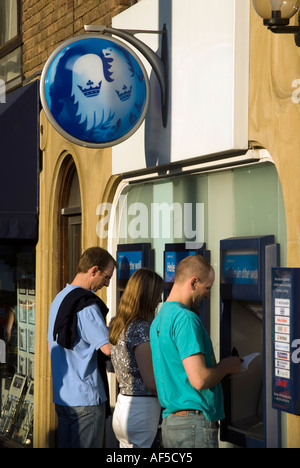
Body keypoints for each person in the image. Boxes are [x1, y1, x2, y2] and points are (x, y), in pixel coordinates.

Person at [150, 254, 241, 448]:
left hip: (172, 423)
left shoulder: (160, 318)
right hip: (193, 426)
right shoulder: (185, 319)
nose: (208, 295)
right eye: (207, 288)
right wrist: (226, 366)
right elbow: (199, 379)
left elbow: (180, 373)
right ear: (193, 282)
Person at [47, 247, 117, 448]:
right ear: (93, 270)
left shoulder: (59, 299)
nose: (107, 283)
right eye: (106, 277)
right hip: (86, 399)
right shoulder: (86, 305)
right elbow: (108, 349)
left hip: (63, 398)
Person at [109, 268, 164, 448]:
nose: (159, 300)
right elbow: (151, 381)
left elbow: (118, 373)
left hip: (123, 405)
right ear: (147, 296)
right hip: (142, 411)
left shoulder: (117, 324)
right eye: (157, 295)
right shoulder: (141, 329)